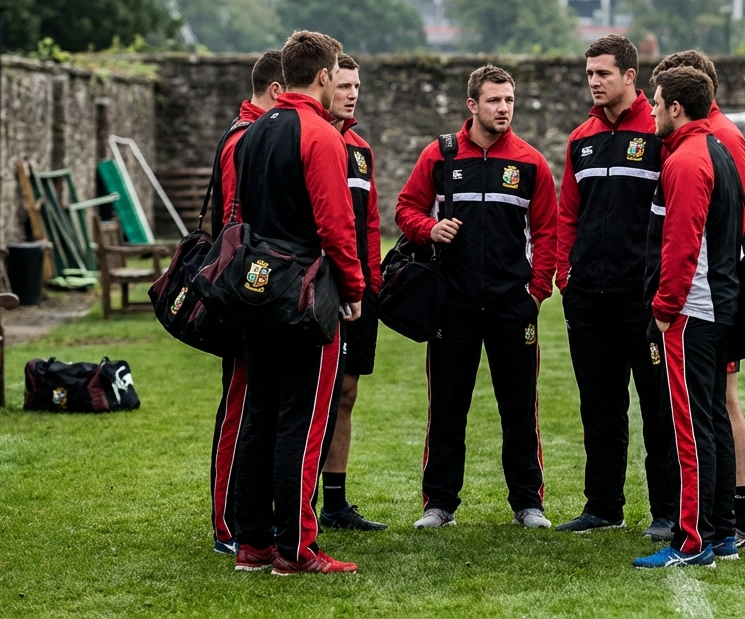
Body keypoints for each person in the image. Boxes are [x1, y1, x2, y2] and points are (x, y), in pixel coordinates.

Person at [394, 64, 558, 530]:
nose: (504, 108)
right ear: (472, 105)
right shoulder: (440, 156)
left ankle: (528, 503)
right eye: (494, 100)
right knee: (446, 410)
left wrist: (536, 292)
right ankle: (439, 504)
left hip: (513, 306)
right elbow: (406, 208)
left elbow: (548, 233)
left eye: (509, 100)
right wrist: (429, 228)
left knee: (520, 409)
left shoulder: (530, 162)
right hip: (453, 305)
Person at [229, 31, 364, 576]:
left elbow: (240, 214)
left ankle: (252, 544)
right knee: (302, 423)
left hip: (256, 289)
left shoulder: (254, 130)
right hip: (305, 296)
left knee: (259, 416)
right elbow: (336, 225)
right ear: (325, 75)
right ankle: (296, 549)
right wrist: (353, 290)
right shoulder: (321, 134)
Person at [551, 35, 676, 540]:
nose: (594, 82)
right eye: (589, 74)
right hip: (588, 297)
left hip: (641, 299)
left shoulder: (659, 132)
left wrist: (659, 285)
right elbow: (567, 213)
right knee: (599, 407)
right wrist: (567, 276)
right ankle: (603, 506)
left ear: (630, 76)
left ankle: (667, 511)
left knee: (658, 408)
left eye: (603, 73)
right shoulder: (581, 138)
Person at [633, 66, 743, 569]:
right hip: (716, 308)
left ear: (676, 108)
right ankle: (721, 533)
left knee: (691, 429)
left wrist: (663, 309)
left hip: (692, 312)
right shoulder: (715, 149)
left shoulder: (687, 159)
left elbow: (681, 246)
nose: (652, 111)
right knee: (712, 420)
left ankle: (693, 542)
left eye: (656, 103)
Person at [210, 50, 281, 557]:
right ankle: (226, 523)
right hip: (243, 292)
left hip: (256, 291)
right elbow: (236, 225)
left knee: (257, 405)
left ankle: (252, 515)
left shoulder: (256, 133)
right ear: (277, 91)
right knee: (238, 407)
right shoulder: (245, 138)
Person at [318, 54, 387, 531]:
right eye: (344, 85)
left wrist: (372, 281)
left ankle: (335, 503)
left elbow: (371, 222)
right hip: (317, 289)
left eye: (357, 86)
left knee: (346, 392)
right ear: (325, 84)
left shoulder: (360, 149)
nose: (352, 93)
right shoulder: (312, 141)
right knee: (309, 396)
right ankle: (297, 498)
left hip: (360, 291)